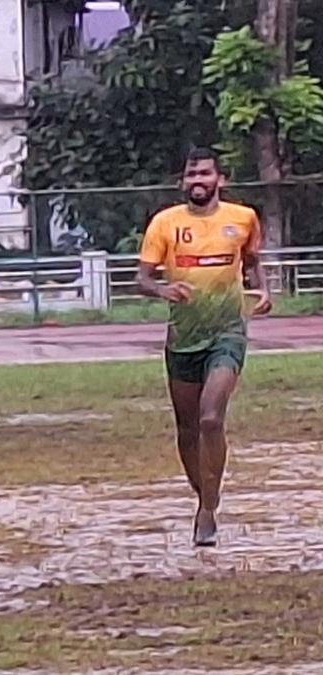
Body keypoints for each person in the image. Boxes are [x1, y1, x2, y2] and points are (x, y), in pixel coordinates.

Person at [136, 147, 272, 547]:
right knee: (187, 427)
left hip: (227, 332)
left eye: (205, 174)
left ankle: (207, 510)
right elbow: (142, 278)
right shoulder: (165, 223)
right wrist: (163, 288)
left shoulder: (242, 218)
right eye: (191, 175)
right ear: (183, 182)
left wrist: (263, 289)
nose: (198, 181)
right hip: (183, 337)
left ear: (220, 180)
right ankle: (204, 498)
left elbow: (252, 259)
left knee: (211, 418)